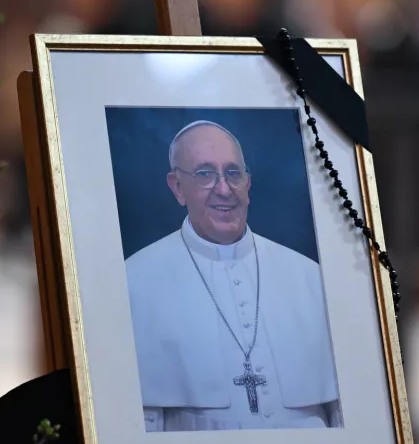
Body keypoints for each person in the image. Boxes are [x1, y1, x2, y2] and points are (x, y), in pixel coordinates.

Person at [125, 120, 342, 432]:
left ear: (248, 183)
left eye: (233, 173)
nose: (224, 189)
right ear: (177, 187)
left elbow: (342, 412)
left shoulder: (309, 277)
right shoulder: (137, 279)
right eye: (204, 174)